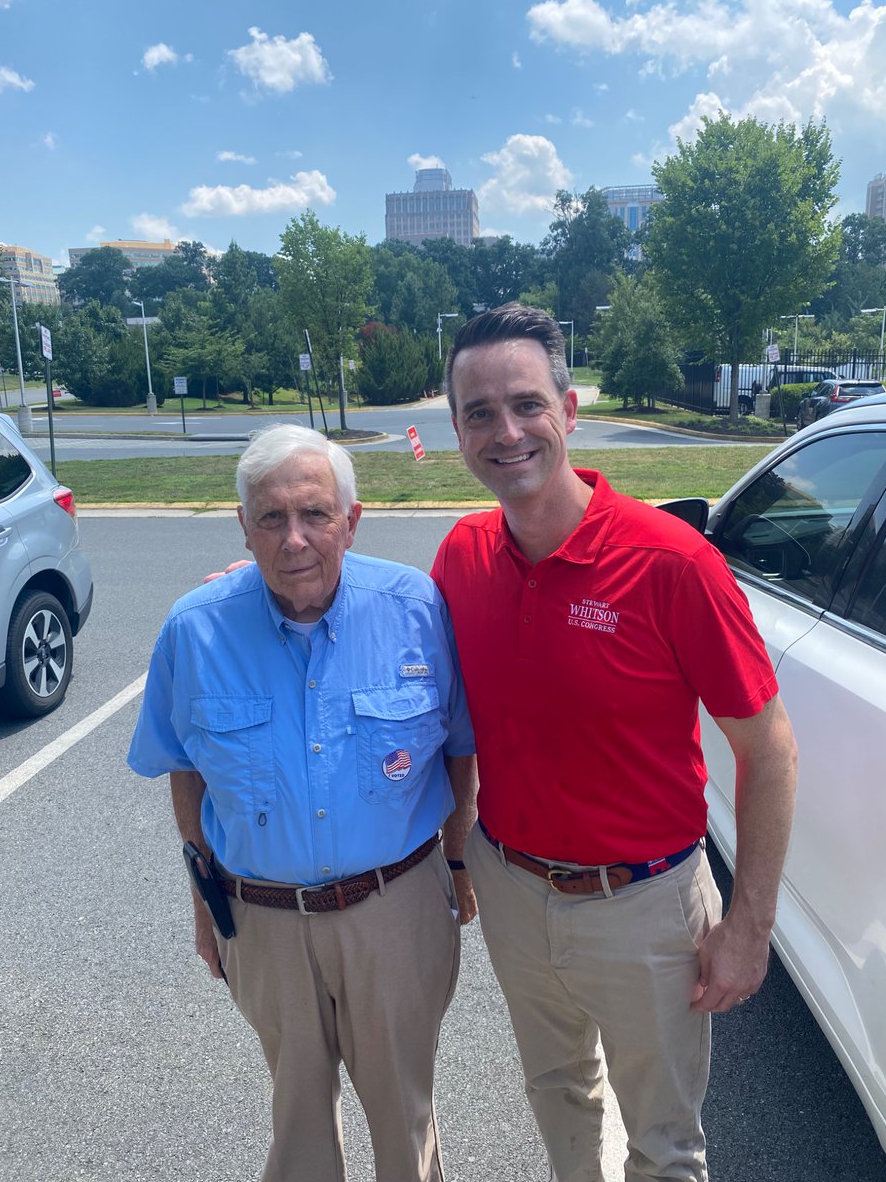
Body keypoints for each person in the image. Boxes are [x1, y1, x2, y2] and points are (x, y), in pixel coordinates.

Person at [432, 304, 798, 1182]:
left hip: (644, 905)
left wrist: (749, 927)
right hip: (511, 885)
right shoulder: (462, 555)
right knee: (557, 1094)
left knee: (664, 1148)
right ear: (457, 432)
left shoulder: (672, 563)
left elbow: (770, 748)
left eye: (527, 404)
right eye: (480, 413)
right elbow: (426, 690)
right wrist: (265, 589)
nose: (506, 432)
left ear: (569, 410)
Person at [128, 424, 476, 1182]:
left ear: (351, 521)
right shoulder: (195, 630)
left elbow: (459, 748)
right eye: (271, 518)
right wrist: (204, 904)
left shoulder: (416, 609)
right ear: (243, 528)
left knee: (404, 1117)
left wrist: (458, 862)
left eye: (315, 514)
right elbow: (185, 770)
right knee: (298, 1126)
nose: (294, 540)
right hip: (265, 921)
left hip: (396, 911)